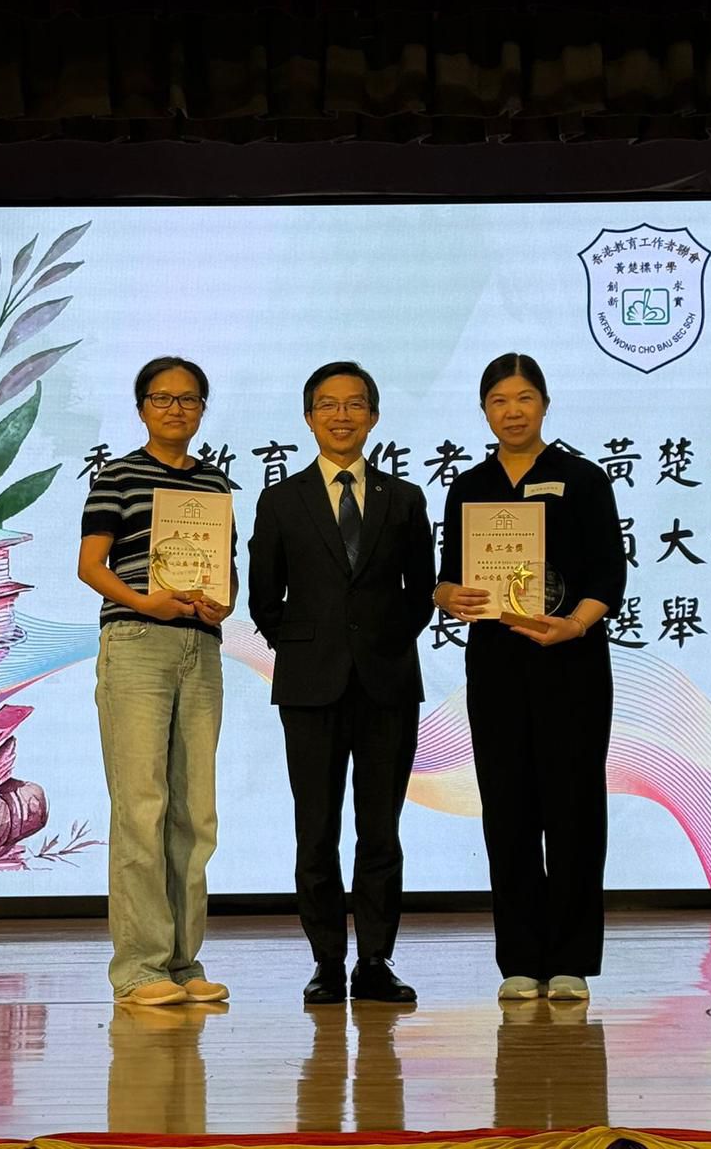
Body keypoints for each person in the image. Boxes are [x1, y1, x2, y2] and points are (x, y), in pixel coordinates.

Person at [433, 353, 625, 1002]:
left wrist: (576, 624)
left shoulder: (583, 478)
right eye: (499, 401)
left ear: (544, 403)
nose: (512, 412)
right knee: (508, 809)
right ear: (484, 411)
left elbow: (609, 573)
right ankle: (519, 958)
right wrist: (447, 595)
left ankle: (571, 960)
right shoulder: (469, 485)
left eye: (523, 399)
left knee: (574, 811)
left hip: (572, 663)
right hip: (496, 666)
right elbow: (448, 574)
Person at [248, 361, 436, 1005]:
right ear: (308, 418)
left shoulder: (404, 499)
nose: (341, 415)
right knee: (317, 828)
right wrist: (310, 649)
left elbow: (421, 593)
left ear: (374, 417)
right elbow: (264, 599)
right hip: (309, 687)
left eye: (355, 404)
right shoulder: (281, 499)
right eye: (327, 405)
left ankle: (375, 961)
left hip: (388, 685)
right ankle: (327, 961)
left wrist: (380, 642)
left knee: (381, 830)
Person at [79, 356, 235, 1006]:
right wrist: (147, 602)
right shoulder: (116, 476)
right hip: (137, 644)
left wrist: (220, 602)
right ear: (142, 407)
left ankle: (182, 963)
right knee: (141, 807)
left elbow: (226, 572)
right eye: (163, 398)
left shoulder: (216, 483)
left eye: (189, 399)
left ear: (202, 409)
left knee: (194, 813)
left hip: (201, 648)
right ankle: (139, 968)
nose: (177, 409)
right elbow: (91, 565)